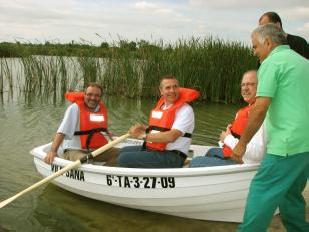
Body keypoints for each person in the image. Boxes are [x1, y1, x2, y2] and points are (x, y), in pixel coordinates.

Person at [232, 24, 309, 231]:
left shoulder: (271, 63)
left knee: (261, 190)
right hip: (305, 145)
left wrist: (241, 144)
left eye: (255, 46)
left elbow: (260, 108)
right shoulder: (304, 63)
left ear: (268, 42)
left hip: (286, 144)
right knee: (290, 194)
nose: (254, 52)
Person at [117, 75, 200, 168]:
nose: (172, 90)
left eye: (175, 87)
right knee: (123, 150)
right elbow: (162, 129)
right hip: (158, 150)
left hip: (172, 156)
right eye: (168, 87)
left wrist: (142, 135)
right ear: (161, 91)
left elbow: (171, 136)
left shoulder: (185, 110)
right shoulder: (162, 107)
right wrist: (145, 128)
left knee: (123, 159)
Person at [189, 70, 265, 167]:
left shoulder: (259, 114)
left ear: (261, 86)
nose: (245, 88)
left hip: (245, 162)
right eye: (243, 84)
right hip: (237, 154)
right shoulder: (247, 110)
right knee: (211, 152)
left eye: (251, 84)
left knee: (195, 162)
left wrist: (228, 138)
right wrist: (228, 137)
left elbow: (257, 154)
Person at [44, 82, 119, 166]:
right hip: (74, 150)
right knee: (86, 160)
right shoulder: (74, 108)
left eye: (97, 95)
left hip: (95, 149)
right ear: (84, 95)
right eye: (89, 94)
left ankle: (105, 173)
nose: (93, 98)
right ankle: (95, 173)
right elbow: (61, 131)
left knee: (121, 155)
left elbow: (96, 128)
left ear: (100, 97)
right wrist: (52, 151)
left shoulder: (100, 108)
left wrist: (107, 134)